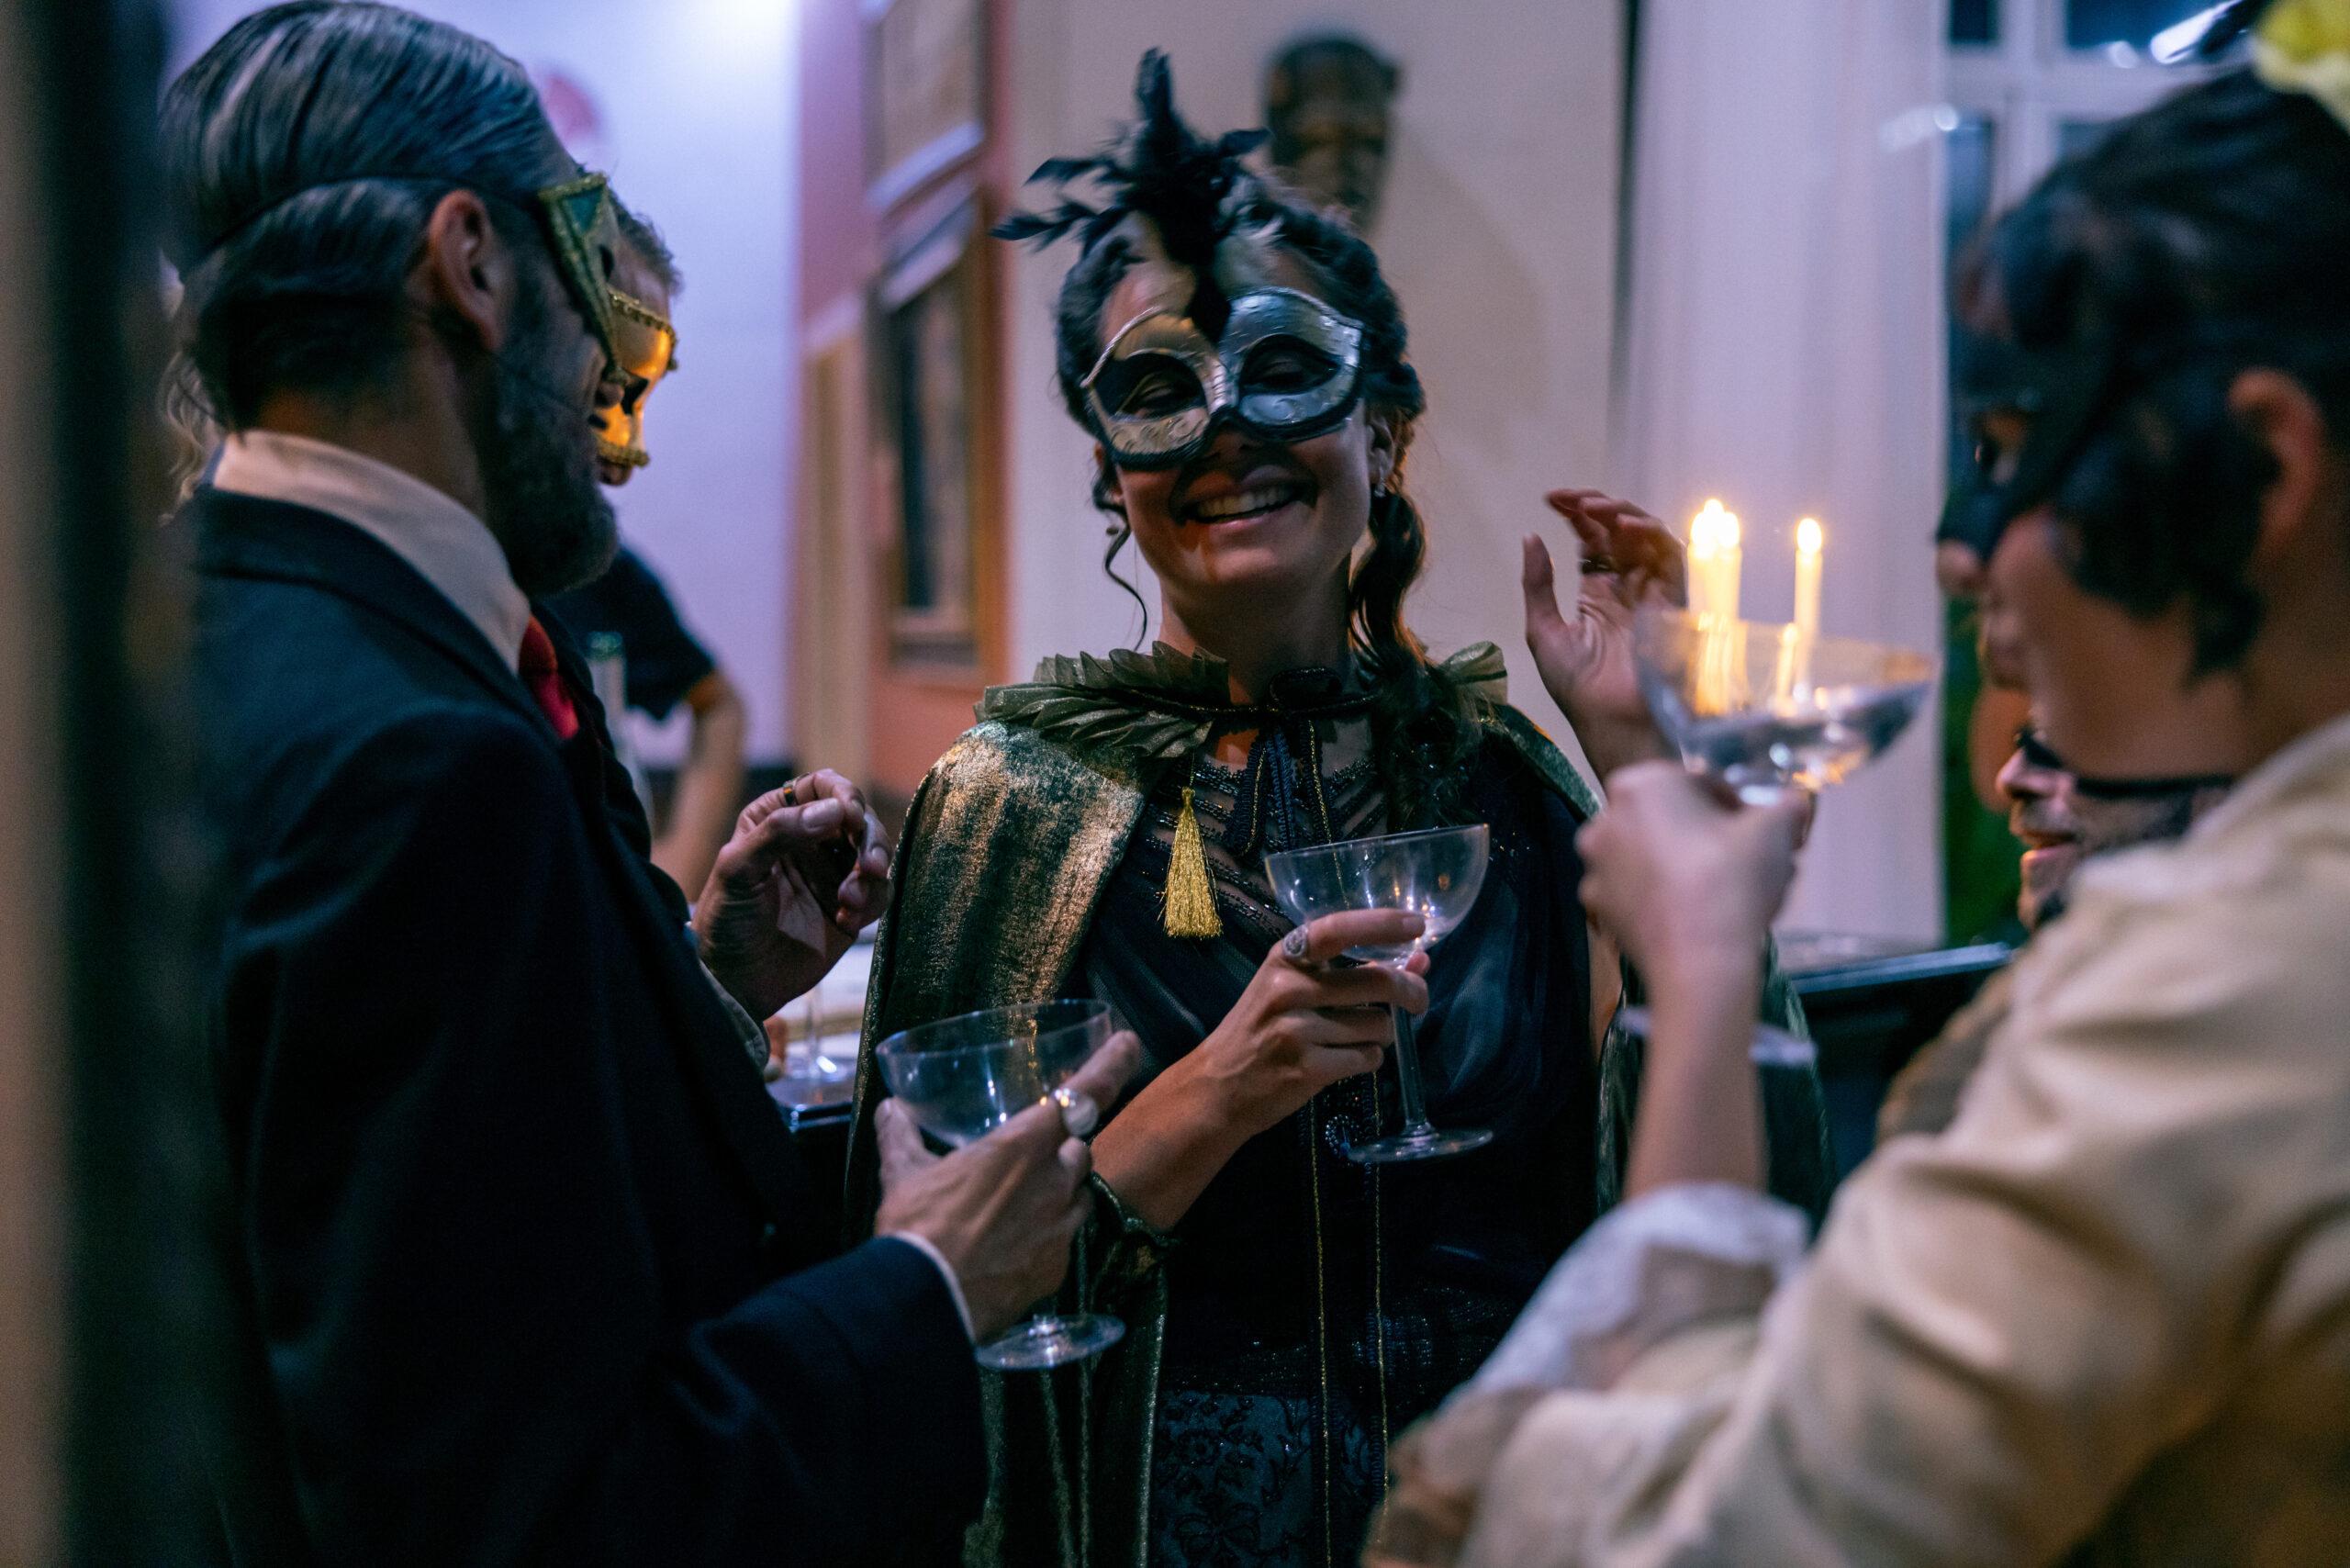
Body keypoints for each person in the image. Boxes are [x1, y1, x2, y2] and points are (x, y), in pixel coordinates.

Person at [1369, 27, 2350, 1566]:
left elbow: (1735, 1532)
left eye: (2019, 447)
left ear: (2267, 471)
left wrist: (1698, 977)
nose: (1966, 550)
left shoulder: (2231, 982)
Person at [165, 6, 1133, 1563]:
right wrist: (928, 1284)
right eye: (586, 272)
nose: (608, 358)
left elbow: (396, 1220)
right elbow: (532, 1514)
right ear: (473, 266)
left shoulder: (189, 633)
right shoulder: (419, 759)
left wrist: (693, 977)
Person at [843, 54, 1830, 1568]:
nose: (1228, 430)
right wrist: (1206, 1099)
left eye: (1283, 367)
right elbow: (914, 1303)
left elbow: (1698, 1186)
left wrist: (1645, 755)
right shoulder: (1006, 814)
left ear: (1384, 434)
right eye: (1163, 389)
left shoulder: (1502, 782)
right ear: (1115, 473)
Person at [543, 216, 749, 898]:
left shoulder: (598, 571)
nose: (622, 463)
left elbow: (719, 706)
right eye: (607, 392)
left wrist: (679, 877)